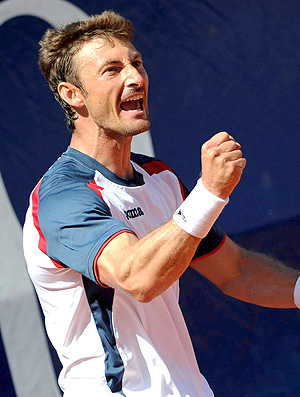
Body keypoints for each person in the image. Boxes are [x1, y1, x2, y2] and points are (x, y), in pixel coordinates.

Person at [22, 10, 300, 397]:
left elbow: (235, 270)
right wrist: (208, 193)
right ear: (72, 95)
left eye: (136, 63)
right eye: (112, 70)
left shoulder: (160, 178)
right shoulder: (61, 197)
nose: (135, 77)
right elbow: (138, 278)